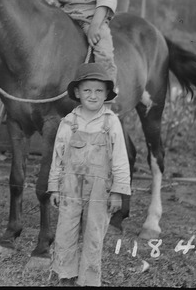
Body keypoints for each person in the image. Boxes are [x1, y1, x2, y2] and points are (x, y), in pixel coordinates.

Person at [48, 62, 131, 287]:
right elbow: (57, 156)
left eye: (98, 91)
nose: (92, 96)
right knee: (66, 230)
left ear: (106, 94)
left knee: (94, 235)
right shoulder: (69, 122)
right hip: (70, 187)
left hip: (100, 189)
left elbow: (121, 159)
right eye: (87, 90)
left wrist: (118, 192)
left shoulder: (111, 122)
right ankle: (66, 276)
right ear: (77, 92)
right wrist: (54, 187)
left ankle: (88, 281)